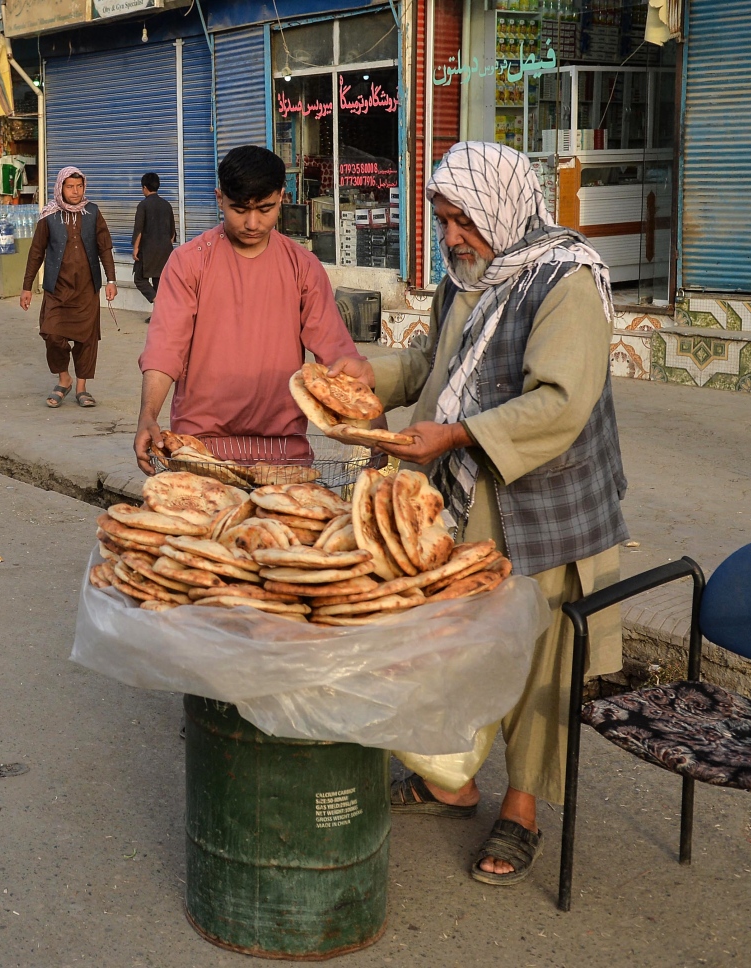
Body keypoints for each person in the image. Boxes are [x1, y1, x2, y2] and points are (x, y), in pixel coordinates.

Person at [331, 142, 627, 886]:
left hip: (546, 499)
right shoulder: (468, 277)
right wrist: (370, 375)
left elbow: (561, 400)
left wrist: (458, 434)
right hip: (465, 496)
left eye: (462, 219)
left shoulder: (567, 280)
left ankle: (521, 807)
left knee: (536, 657)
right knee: (456, 644)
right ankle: (451, 779)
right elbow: (440, 370)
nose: (452, 236)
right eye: (443, 221)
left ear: (499, 205)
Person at [133, 146, 361, 467]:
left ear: (283, 197)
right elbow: (165, 350)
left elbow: (337, 354)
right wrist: (147, 416)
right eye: (239, 209)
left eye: (265, 209)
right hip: (199, 447)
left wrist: (373, 429)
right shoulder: (188, 263)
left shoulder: (304, 267)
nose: (252, 223)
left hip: (284, 451)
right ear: (219, 198)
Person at [20, 166, 117, 409]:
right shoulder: (49, 216)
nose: (75, 191)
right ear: (60, 187)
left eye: (79, 186)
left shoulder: (93, 212)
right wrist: (27, 287)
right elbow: (36, 252)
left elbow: (105, 247)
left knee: (87, 340)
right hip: (57, 290)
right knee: (52, 335)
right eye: (70, 186)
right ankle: (64, 378)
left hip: (86, 290)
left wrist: (111, 280)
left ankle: (82, 387)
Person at [131, 171, 175, 321]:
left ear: (144, 187)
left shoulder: (143, 205)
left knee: (139, 279)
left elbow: (139, 230)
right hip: (165, 251)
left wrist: (136, 248)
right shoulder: (167, 205)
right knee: (159, 282)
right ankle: (160, 313)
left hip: (147, 250)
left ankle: (159, 304)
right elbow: (172, 234)